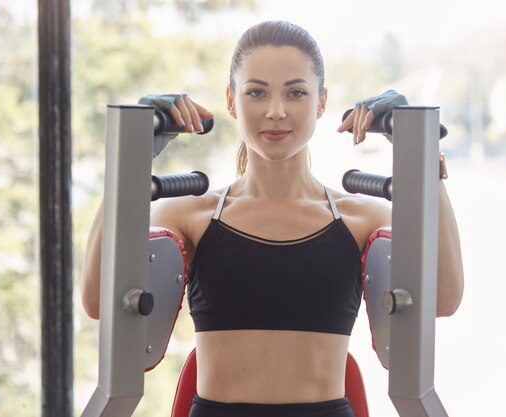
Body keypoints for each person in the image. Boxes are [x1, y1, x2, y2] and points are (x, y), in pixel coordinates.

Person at [80, 20, 464, 417]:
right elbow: (97, 301)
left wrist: (423, 152)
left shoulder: (361, 217)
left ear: (321, 101)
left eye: (296, 92)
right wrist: (129, 158)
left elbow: (444, 298)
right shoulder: (190, 215)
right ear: (231, 101)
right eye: (257, 92)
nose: (276, 111)